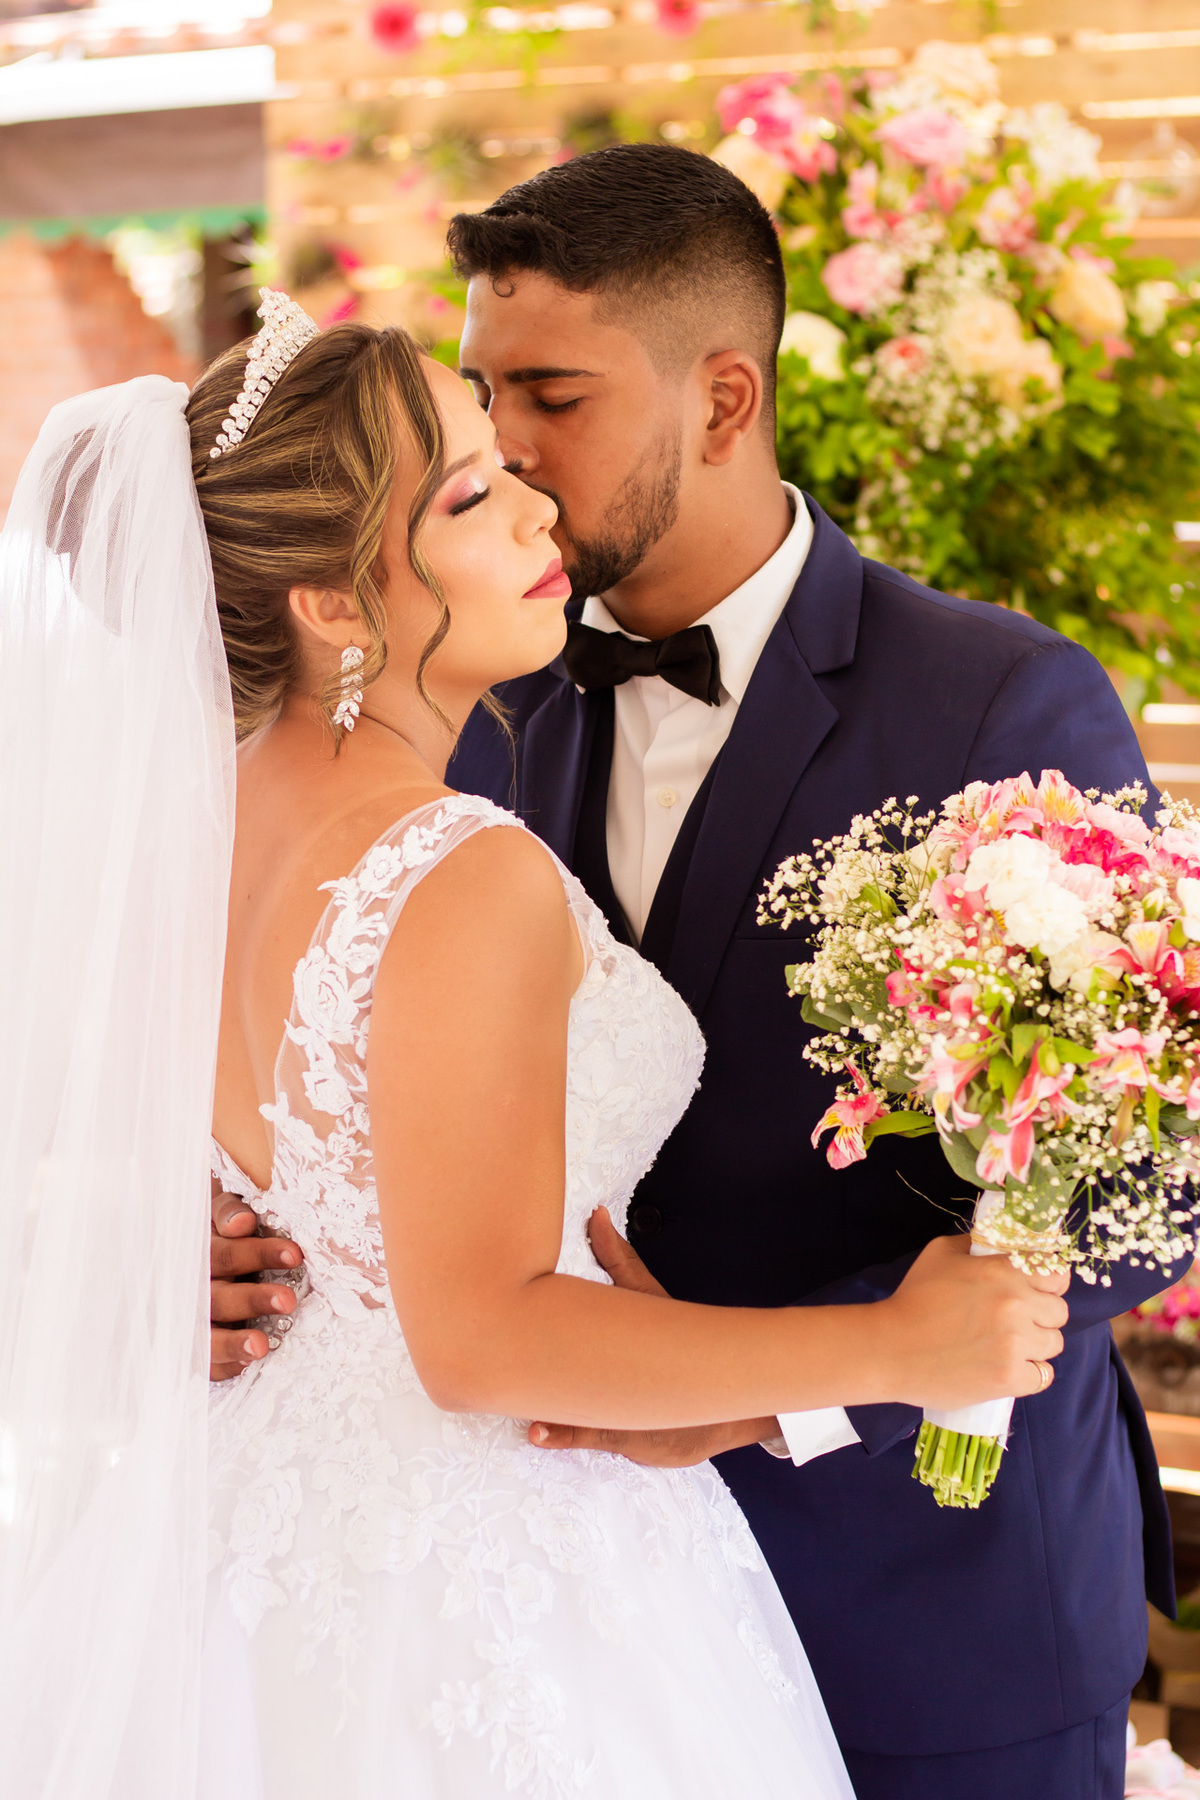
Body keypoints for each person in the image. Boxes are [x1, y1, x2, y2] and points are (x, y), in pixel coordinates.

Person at [0, 299, 1065, 1799]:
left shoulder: (193, 837)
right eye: (470, 495)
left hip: (236, 1538)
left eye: (512, 462)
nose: (534, 506)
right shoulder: (454, 863)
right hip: (485, 1571)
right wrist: (898, 1345)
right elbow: (481, 1334)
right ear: (330, 603)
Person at [440, 144, 1184, 1800]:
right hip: (572, 1631)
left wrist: (770, 1394)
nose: (504, 447)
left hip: (929, 1615)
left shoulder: (1001, 703)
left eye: (552, 393)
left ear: (724, 399)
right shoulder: (473, 710)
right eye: (484, 391)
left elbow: (1142, 1173)